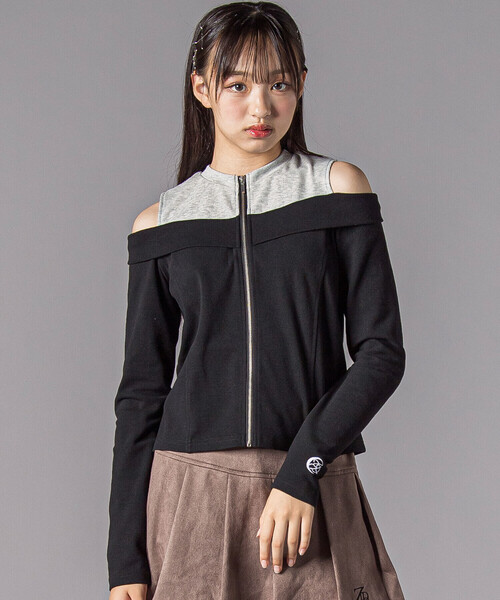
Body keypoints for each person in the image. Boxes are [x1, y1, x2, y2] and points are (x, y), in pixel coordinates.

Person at [107, 2, 407, 599]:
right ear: (202, 88)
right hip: (190, 494)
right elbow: (141, 396)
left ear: (301, 85)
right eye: (238, 85)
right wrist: (125, 563)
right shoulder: (161, 224)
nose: (261, 107)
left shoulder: (337, 190)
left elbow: (381, 354)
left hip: (309, 486)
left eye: (279, 84)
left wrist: (305, 469)